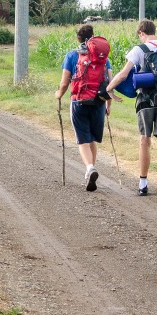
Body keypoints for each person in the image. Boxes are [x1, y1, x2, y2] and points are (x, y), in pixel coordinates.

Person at [106, 19, 157, 201]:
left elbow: (124, 74)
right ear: (154, 31)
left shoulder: (138, 50)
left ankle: (143, 183)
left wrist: (109, 88)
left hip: (145, 101)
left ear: (142, 32)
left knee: (144, 140)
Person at [55, 24, 112, 191]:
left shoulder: (72, 55)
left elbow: (65, 82)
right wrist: (109, 103)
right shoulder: (103, 57)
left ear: (78, 38)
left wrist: (59, 94)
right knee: (92, 138)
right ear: (93, 37)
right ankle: (90, 172)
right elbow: (109, 82)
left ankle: (89, 169)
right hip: (99, 101)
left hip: (79, 101)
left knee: (82, 140)